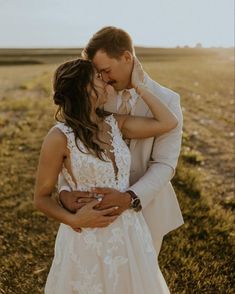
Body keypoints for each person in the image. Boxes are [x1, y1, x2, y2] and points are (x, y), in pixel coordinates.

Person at [34, 57, 178, 293]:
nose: (106, 82)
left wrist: (140, 86)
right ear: (84, 89)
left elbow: (168, 121)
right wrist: (74, 220)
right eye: (98, 78)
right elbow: (41, 197)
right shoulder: (59, 137)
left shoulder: (115, 124)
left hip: (129, 231)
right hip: (86, 239)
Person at [59, 26, 184, 256]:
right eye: (99, 73)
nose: (104, 79)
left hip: (146, 209)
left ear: (127, 57)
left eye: (106, 70)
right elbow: (71, 147)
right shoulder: (98, 94)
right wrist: (65, 192)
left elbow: (165, 164)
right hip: (95, 214)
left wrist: (130, 198)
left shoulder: (167, 101)